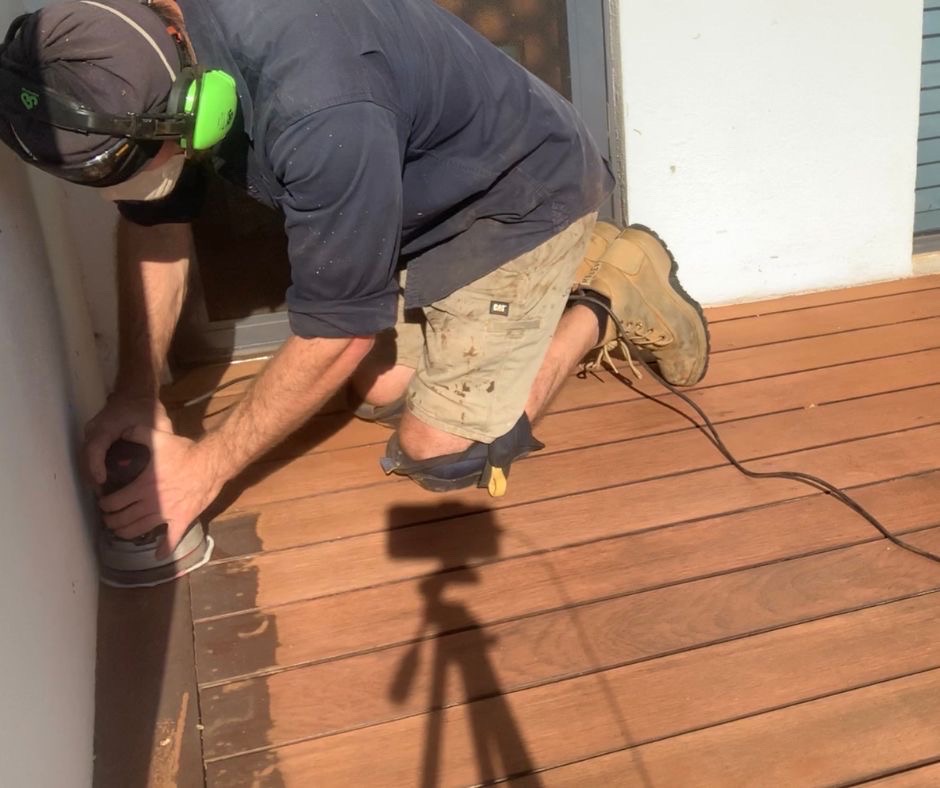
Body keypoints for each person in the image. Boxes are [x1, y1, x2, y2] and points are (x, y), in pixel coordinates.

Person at [0, 0, 708, 555]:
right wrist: (135, 392)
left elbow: (337, 333)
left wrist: (204, 468)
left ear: (197, 109)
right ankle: (522, 300)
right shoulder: (132, 46)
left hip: (519, 193)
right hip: (419, 192)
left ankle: (608, 287)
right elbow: (154, 223)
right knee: (379, 389)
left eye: (143, 169)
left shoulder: (320, 104)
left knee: (442, 454)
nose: (139, 195)